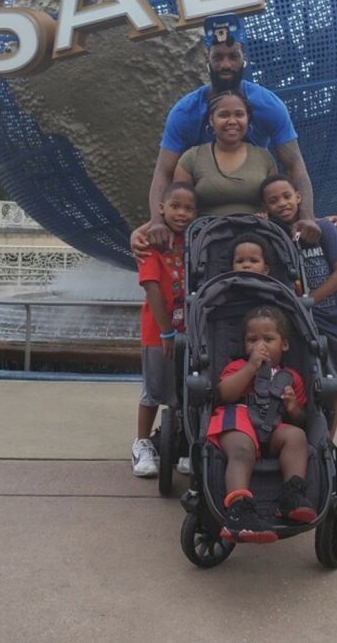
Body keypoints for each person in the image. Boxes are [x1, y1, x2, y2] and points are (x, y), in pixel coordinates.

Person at [138, 12, 320, 255]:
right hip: (203, 227)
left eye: (233, 56)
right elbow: (163, 173)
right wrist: (157, 222)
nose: (226, 65)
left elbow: (295, 166)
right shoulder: (185, 112)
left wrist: (307, 217)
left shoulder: (268, 106)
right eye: (218, 57)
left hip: (257, 224)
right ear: (207, 60)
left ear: (244, 58)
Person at [207, 304, 316, 543]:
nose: (260, 345)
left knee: (296, 435)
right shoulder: (237, 367)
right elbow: (223, 394)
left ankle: (292, 494)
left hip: (272, 425)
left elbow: (302, 418)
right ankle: (238, 509)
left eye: (268, 339)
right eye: (252, 340)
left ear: (284, 344)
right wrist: (250, 368)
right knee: (242, 449)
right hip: (237, 419)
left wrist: (293, 407)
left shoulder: (290, 376)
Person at [261, 174, 337, 436]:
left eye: (286, 196)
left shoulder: (323, 228)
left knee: (335, 385)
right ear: (266, 209)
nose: (282, 203)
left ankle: (328, 440)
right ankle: (307, 434)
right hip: (302, 325)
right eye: (273, 201)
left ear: (298, 197)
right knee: (304, 380)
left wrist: (309, 300)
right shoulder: (275, 238)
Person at [132, 182, 198, 478]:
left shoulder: (196, 240)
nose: (182, 213)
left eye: (188, 208)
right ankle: (142, 443)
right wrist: (165, 331)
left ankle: (184, 445)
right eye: (175, 206)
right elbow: (152, 287)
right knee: (154, 389)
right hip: (159, 332)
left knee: (185, 391)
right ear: (161, 208)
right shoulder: (150, 242)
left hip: (191, 331)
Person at [173, 90, 275, 215]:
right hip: (207, 232)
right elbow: (177, 208)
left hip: (257, 231)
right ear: (211, 120)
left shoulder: (264, 158)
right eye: (224, 115)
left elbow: (277, 205)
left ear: (247, 119)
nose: (232, 121)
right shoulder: (191, 158)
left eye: (239, 114)